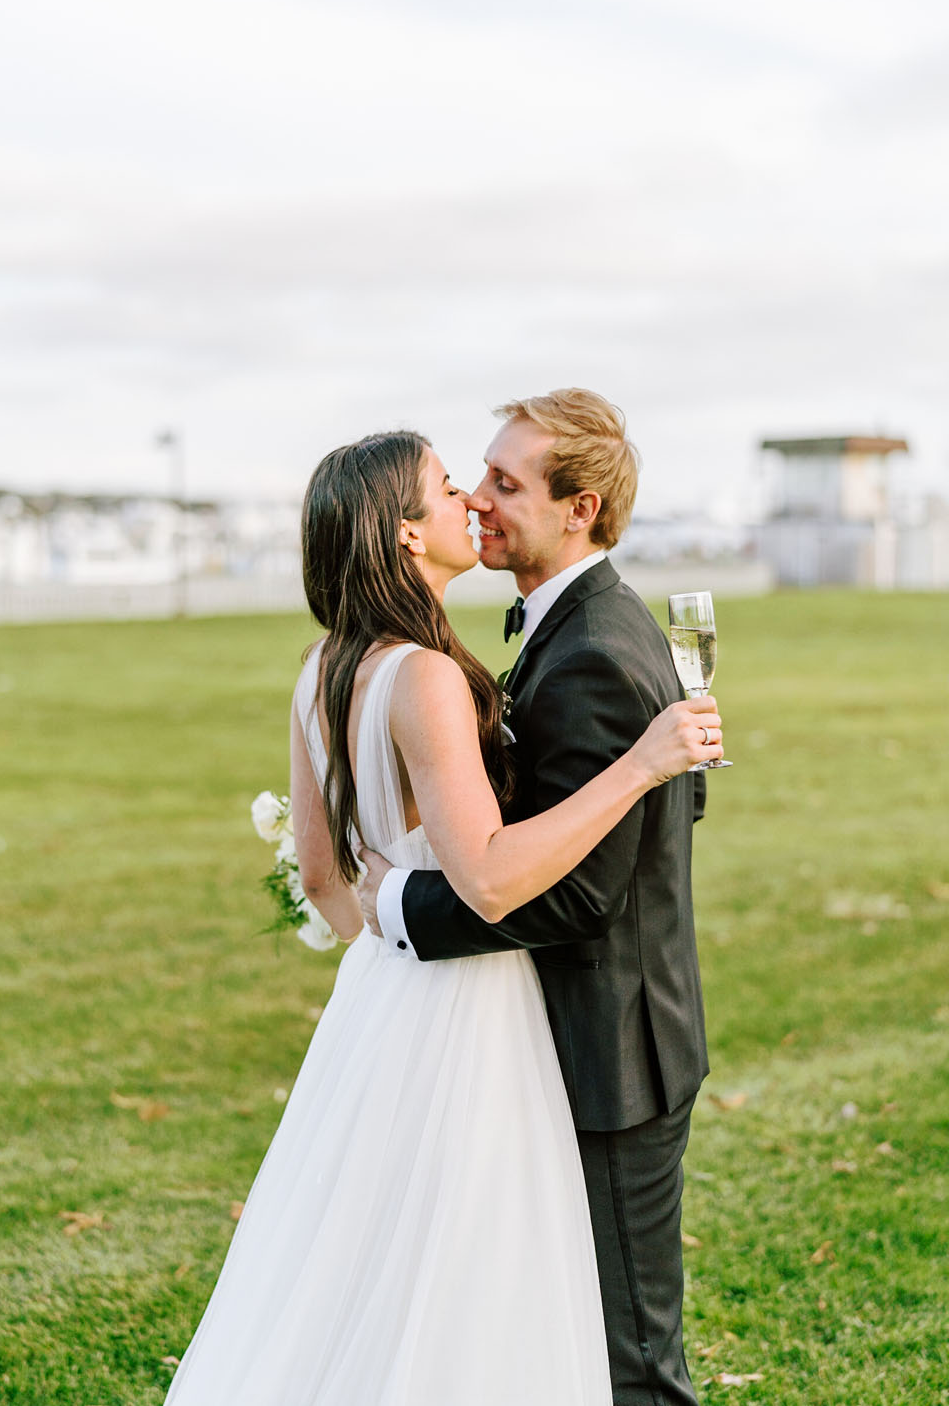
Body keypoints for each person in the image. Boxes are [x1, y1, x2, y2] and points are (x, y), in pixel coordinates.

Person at [163, 426, 721, 1406]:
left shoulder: (319, 666)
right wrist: (642, 765)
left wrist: (389, 914)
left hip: (378, 1013)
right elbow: (494, 880)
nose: (469, 498)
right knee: (474, 1285)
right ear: (407, 537)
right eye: (450, 486)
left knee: (370, 1272)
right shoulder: (422, 674)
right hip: (468, 1014)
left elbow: (333, 894)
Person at [360, 389, 712, 1406]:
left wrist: (397, 908)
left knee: (630, 1362)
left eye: (506, 484)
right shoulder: (582, 627)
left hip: (612, 1058)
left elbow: (576, 900)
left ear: (581, 510)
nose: (479, 499)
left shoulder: (595, 648)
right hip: (593, 1038)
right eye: (479, 474)